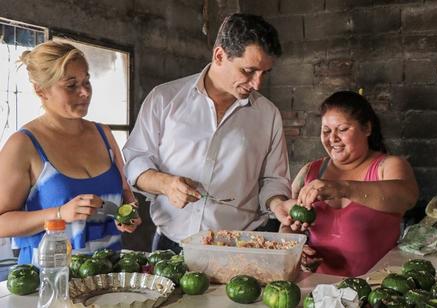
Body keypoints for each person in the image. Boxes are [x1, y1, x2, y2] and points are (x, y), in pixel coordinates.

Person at [123, 13, 291, 253]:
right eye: (248, 71)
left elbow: (274, 180)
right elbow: (135, 162)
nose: (257, 84)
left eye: (265, 73)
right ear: (220, 55)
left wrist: (277, 204)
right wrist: (166, 184)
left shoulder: (268, 114)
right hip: (170, 245)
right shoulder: (164, 99)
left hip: (240, 248)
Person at [0, 41, 141, 264]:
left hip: (108, 279)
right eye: (71, 85)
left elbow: (126, 194)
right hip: (48, 283)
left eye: (87, 82)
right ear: (40, 90)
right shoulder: (23, 145)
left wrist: (129, 213)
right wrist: (58, 214)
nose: (84, 92)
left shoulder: (103, 134)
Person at [273, 91, 419, 277]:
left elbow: (407, 197)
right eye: (326, 131)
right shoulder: (310, 171)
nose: (332, 138)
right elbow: (289, 224)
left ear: (366, 128)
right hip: (320, 288)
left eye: (342, 129)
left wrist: (342, 188)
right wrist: (294, 249)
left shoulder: (387, 166)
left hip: (377, 287)